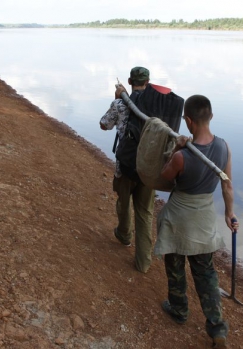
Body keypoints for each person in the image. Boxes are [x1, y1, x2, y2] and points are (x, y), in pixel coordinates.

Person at [153, 95, 239, 348]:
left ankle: (179, 310)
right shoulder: (224, 147)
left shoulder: (182, 157)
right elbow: (228, 184)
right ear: (210, 116)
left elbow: (163, 180)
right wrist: (229, 213)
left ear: (188, 121)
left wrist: (177, 149)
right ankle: (217, 328)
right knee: (206, 274)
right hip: (203, 218)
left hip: (179, 218)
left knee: (176, 266)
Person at [99, 67, 155, 273]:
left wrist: (117, 99)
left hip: (125, 166)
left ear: (130, 81)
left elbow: (104, 125)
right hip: (149, 170)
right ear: (148, 82)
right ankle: (144, 262)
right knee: (145, 213)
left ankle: (124, 235)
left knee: (123, 202)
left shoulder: (120, 104)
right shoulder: (156, 106)